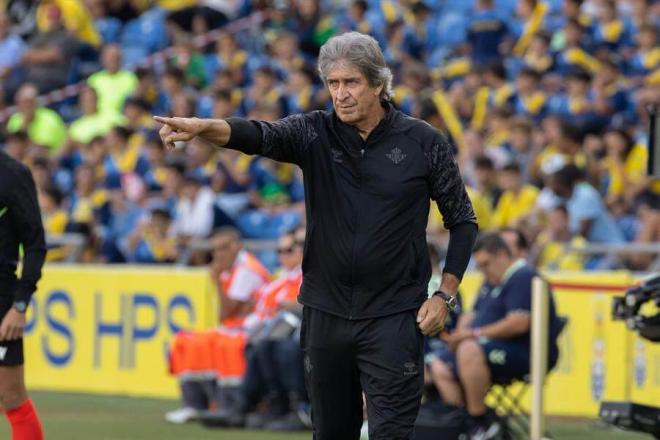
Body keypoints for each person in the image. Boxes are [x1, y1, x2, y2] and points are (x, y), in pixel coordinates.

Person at [155, 31, 478, 439]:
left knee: (391, 434)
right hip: (325, 315)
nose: (340, 94)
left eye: (352, 82)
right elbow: (259, 134)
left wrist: (444, 294)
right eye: (333, 83)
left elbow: (463, 220)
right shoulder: (314, 133)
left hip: (395, 316)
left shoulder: (423, 142)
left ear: (379, 83)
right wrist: (204, 127)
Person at [429, 233, 561, 440]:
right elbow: (472, 315)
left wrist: (470, 335)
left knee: (469, 349)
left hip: (524, 352)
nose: (482, 270)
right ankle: (466, 424)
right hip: (488, 349)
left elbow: (518, 323)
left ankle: (479, 422)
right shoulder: (491, 280)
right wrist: (460, 333)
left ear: (501, 255)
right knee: (439, 363)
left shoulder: (524, 277)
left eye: (485, 264)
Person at [0, 149, 47, 440]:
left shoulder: (13, 174)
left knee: (10, 395)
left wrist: (19, 305)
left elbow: (35, 245)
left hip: (2, 301)